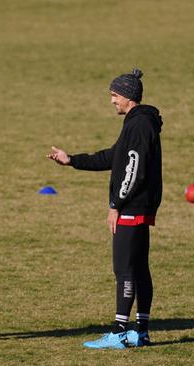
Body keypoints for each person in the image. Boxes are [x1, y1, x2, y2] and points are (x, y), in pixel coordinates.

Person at [47, 69, 162, 349]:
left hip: (131, 207)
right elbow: (114, 157)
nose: (112, 101)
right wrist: (71, 160)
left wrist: (116, 205)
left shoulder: (137, 126)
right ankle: (141, 331)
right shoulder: (139, 123)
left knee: (124, 269)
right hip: (140, 205)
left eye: (114, 95)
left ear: (127, 97)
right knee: (138, 269)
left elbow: (132, 171)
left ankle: (120, 332)